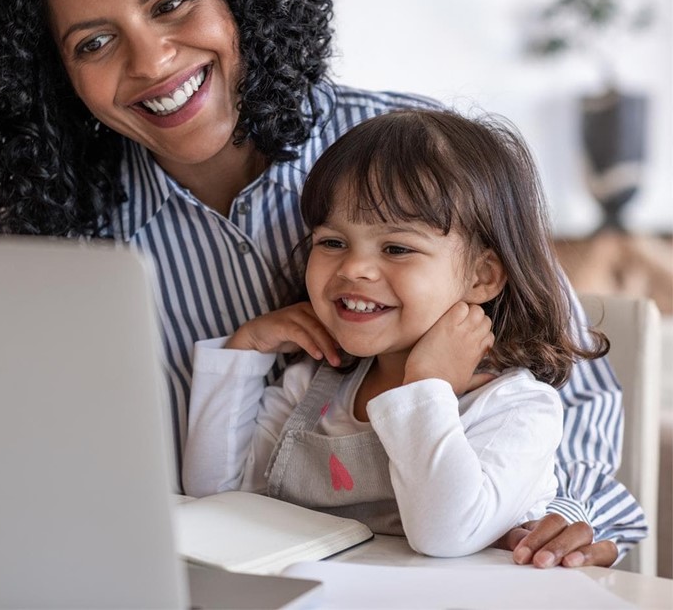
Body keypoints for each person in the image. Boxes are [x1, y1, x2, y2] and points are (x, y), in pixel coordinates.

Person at [0, 0, 644, 566]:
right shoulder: (17, 245)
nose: (153, 59)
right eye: (94, 42)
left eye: (171, 2)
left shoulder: (424, 161)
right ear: (52, 77)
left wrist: (567, 516)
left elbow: (571, 389)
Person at [183, 108, 609, 557]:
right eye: (332, 242)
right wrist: (245, 350)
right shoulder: (312, 387)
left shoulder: (514, 408)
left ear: (482, 277)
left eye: (397, 248)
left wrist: (428, 386)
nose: (354, 268)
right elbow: (216, 495)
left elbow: (444, 535)